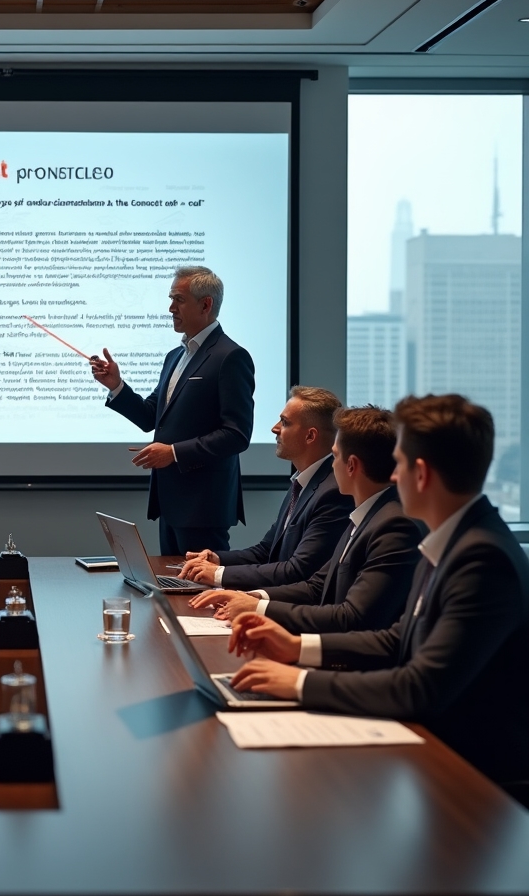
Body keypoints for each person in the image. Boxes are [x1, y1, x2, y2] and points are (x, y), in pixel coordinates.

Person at [227, 394, 529, 792]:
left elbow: (419, 687)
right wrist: (295, 648)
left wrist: (297, 683)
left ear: (419, 474)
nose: (392, 476)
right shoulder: (453, 538)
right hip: (433, 750)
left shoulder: (481, 558)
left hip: (472, 778)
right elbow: (398, 638)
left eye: (399, 464)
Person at [192, 406, 422, 633]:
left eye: (335, 456)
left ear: (351, 465)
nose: (332, 465)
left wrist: (259, 608)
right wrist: (249, 597)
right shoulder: (365, 515)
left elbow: (352, 617)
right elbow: (317, 586)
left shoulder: (392, 526)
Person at [91, 266, 255, 554]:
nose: (170, 308)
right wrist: (117, 386)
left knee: (201, 594)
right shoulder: (175, 356)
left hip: (204, 507)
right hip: (170, 502)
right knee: (172, 592)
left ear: (206, 304)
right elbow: (149, 416)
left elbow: (237, 434)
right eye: (171, 299)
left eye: (178, 299)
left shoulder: (230, 356)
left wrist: (174, 453)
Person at [178, 387, 351, 588]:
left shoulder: (333, 492)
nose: (274, 428)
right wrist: (217, 560)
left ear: (310, 436)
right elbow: (266, 551)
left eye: (285, 422)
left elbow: (298, 571)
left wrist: (218, 575)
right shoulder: (303, 482)